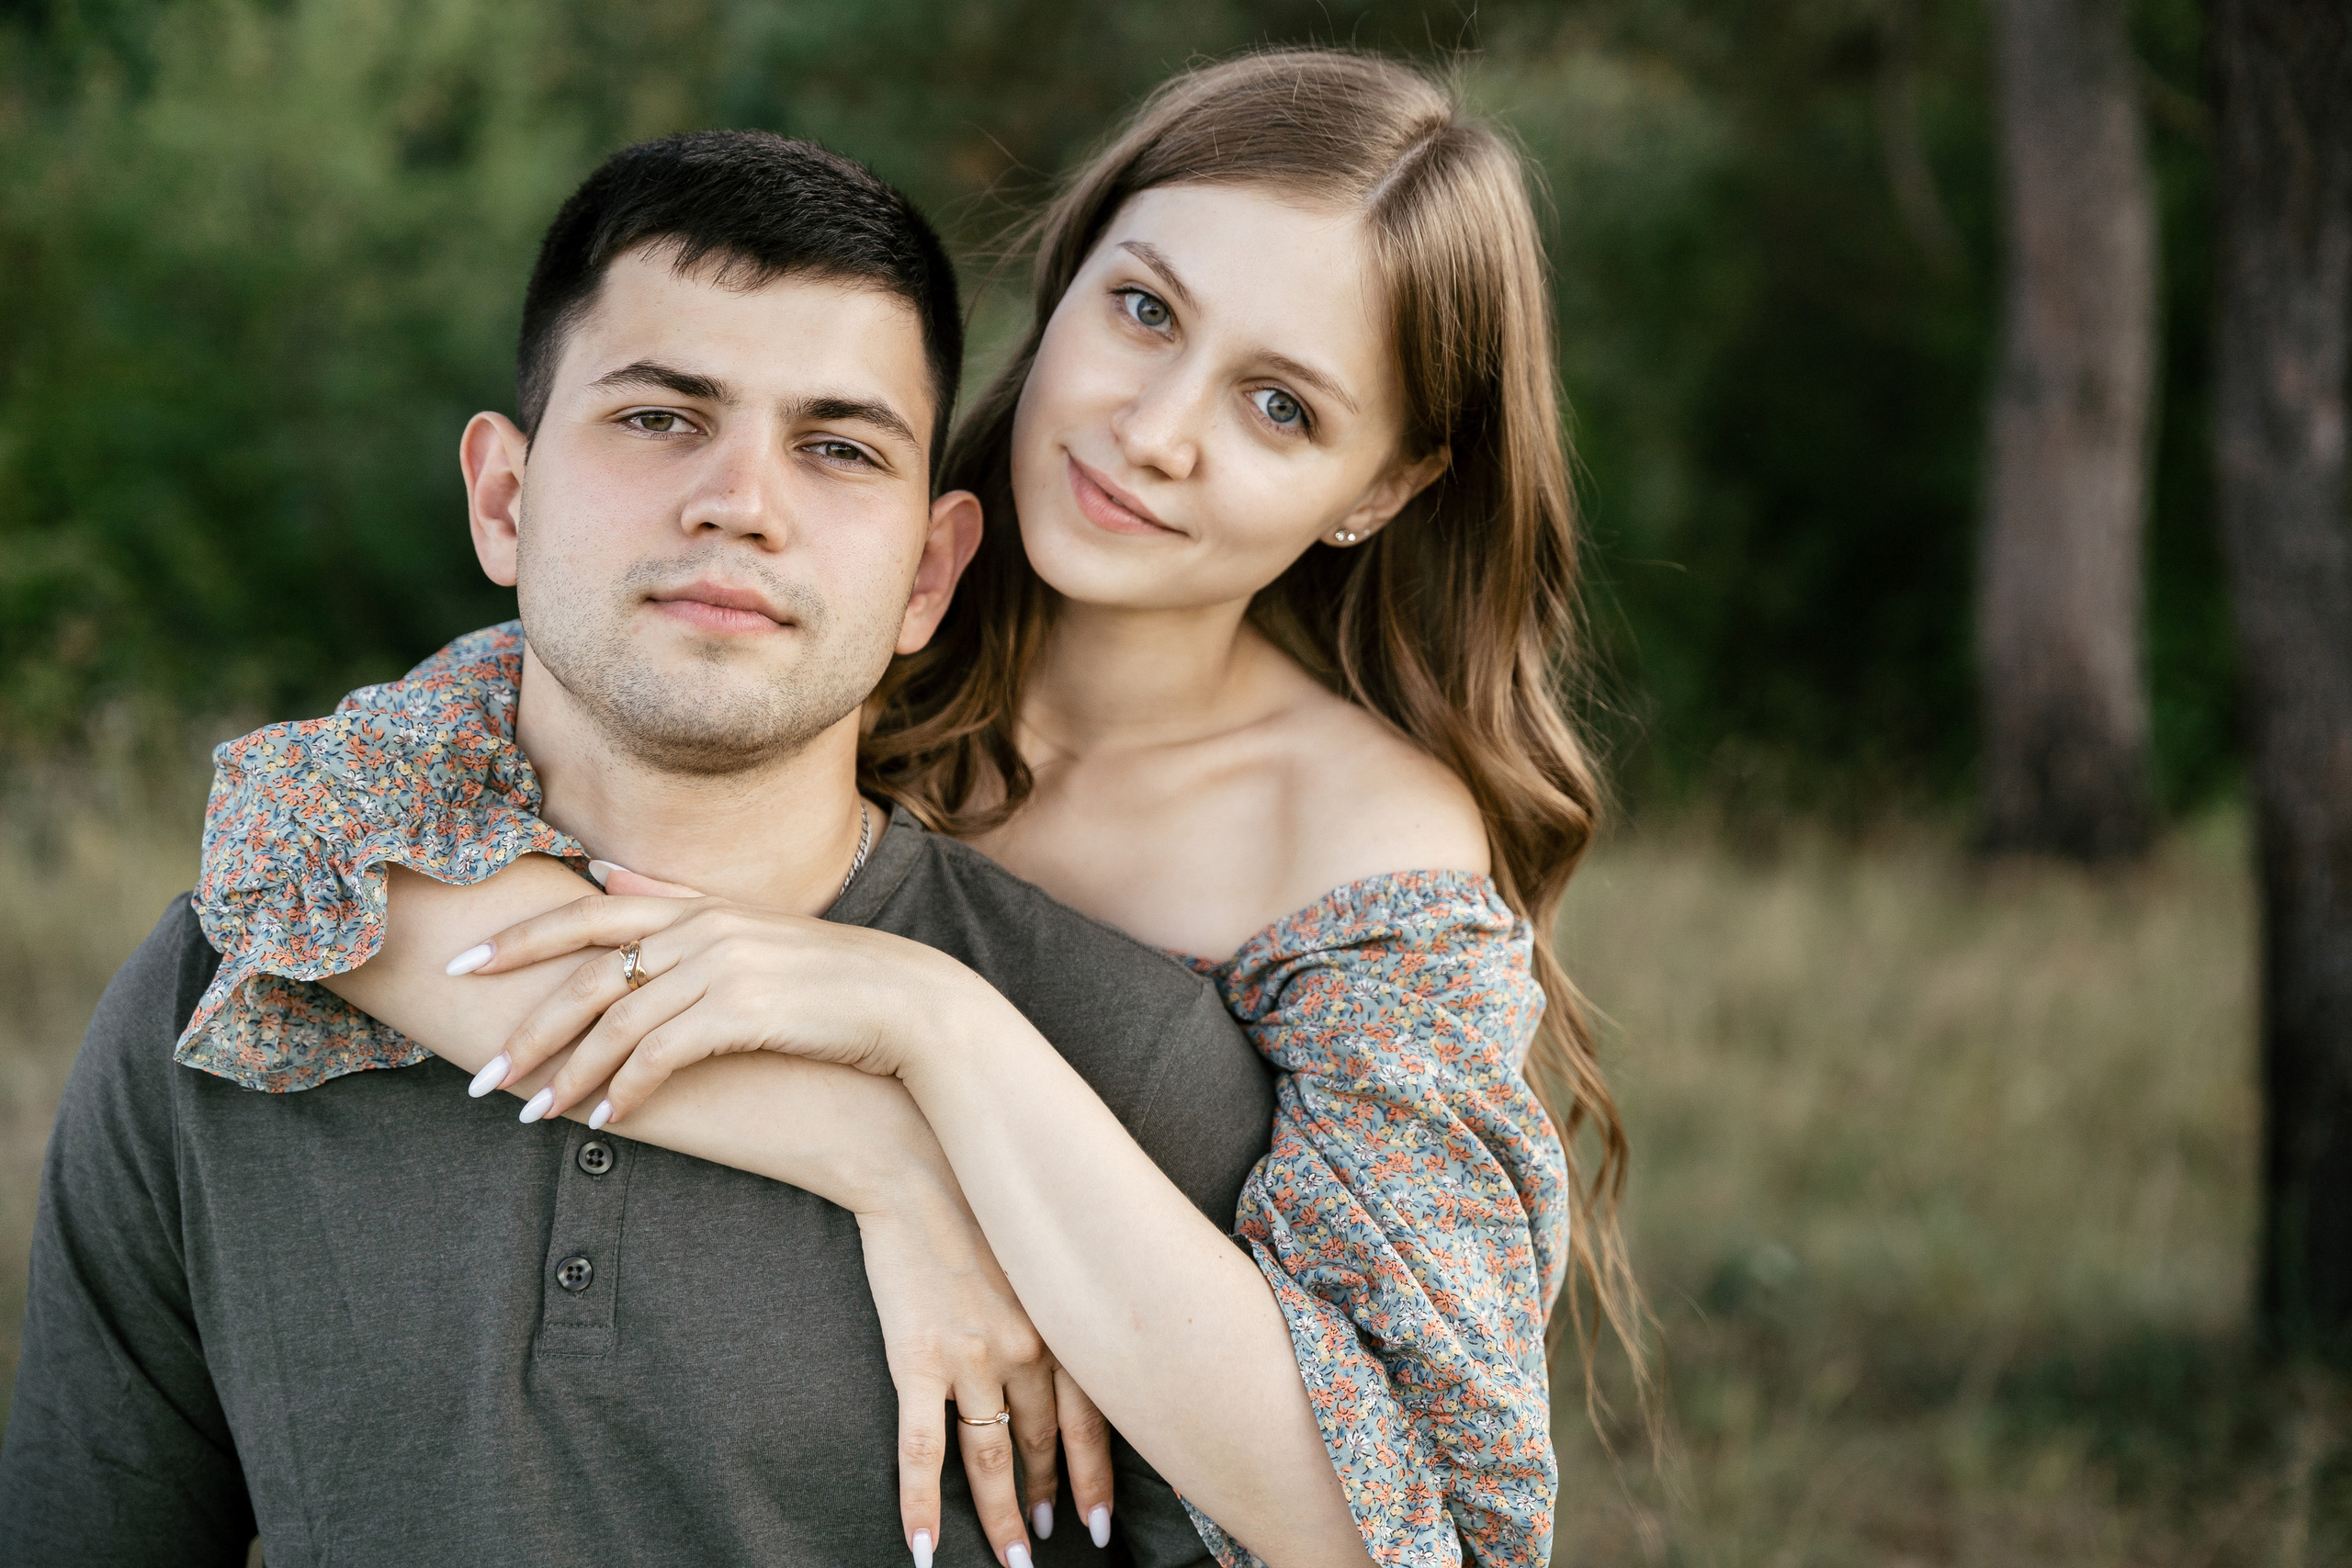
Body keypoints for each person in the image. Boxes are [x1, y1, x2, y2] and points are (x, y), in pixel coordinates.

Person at [32, 44, 1648, 1568]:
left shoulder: (1357, 850)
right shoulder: (790, 624)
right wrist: (889, 1159)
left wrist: (937, 1024)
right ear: (1064, 283)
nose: (1157, 435)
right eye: (1145, 312)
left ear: (1381, 486)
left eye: (1281, 406)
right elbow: (294, 848)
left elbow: (1416, 1511)